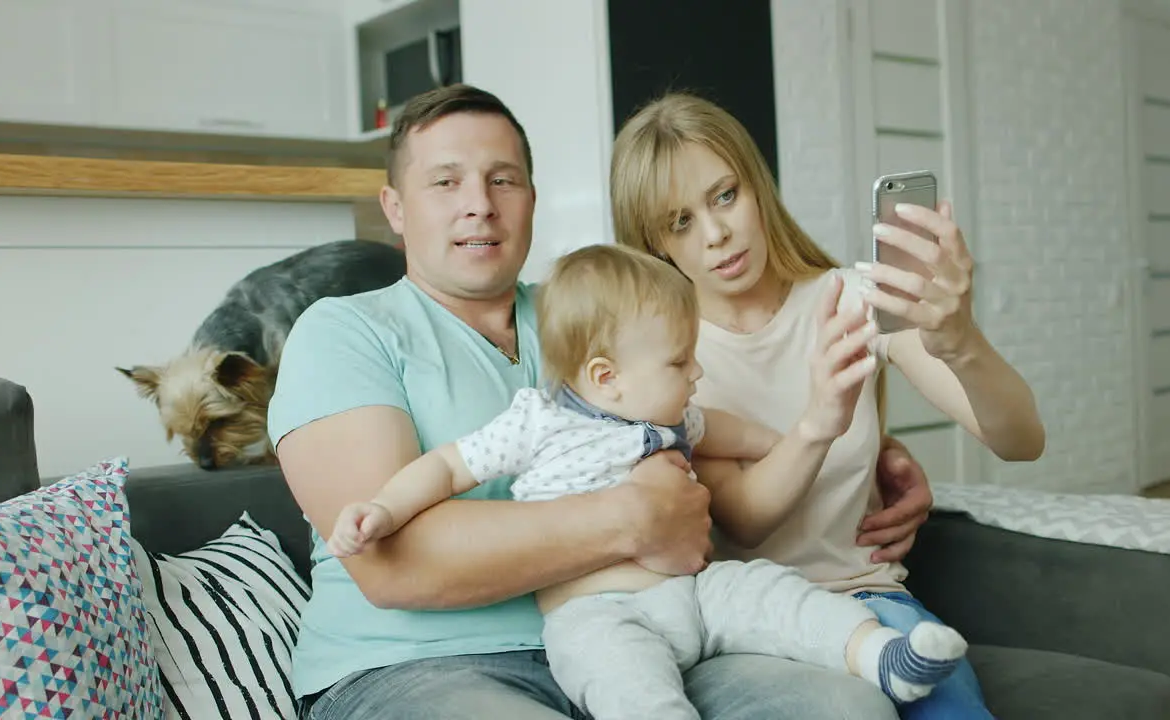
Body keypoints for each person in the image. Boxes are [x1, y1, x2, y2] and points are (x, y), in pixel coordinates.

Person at [268, 83, 935, 720]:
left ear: (532, 197)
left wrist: (871, 452)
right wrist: (631, 517)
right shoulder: (345, 331)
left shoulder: (592, 309)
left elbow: (711, 406)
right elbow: (395, 565)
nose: (480, 204)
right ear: (394, 207)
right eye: (445, 182)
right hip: (422, 666)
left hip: (652, 629)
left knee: (837, 707)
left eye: (503, 179)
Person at [324, 243, 970, 720]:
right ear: (607, 377)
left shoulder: (670, 410)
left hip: (693, 593)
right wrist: (383, 507)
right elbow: (447, 466)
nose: (696, 372)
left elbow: (728, 429)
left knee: (770, 591)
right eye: (680, 360)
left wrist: (831, 442)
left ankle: (879, 654)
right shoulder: (537, 421)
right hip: (600, 613)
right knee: (625, 685)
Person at [607, 91, 1046, 720]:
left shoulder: (853, 298)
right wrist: (820, 420)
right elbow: (747, 520)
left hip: (869, 600)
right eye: (680, 222)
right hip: (747, 624)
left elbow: (1020, 440)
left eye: (725, 195)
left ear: (757, 187)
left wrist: (961, 340)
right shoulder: (667, 359)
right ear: (655, 245)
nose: (716, 233)